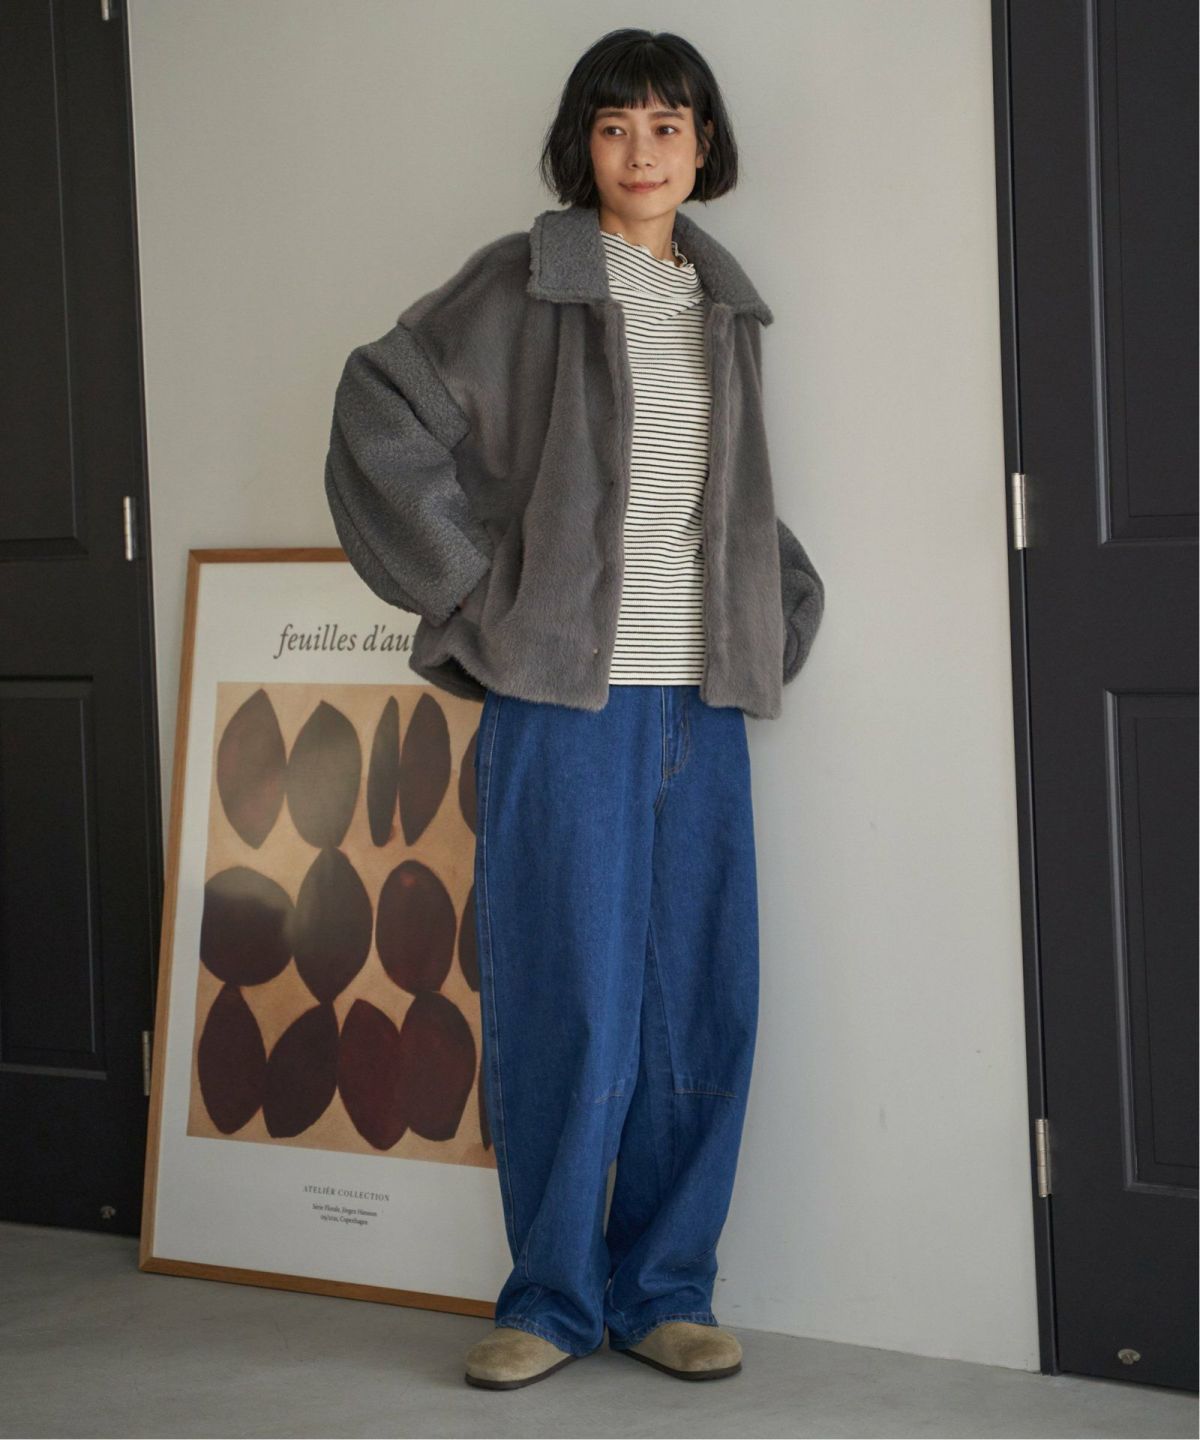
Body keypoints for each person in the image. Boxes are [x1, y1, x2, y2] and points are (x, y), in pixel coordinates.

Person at [324, 27, 825, 1392]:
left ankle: (665, 1291)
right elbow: (379, 413)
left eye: (667, 125)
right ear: (581, 146)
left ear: (703, 145)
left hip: (699, 699)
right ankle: (549, 1298)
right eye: (614, 127)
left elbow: (724, 498)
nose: (641, 151)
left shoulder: (726, 308)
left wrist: (776, 609)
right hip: (562, 695)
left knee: (698, 1000)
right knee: (566, 995)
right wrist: (476, 595)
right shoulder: (523, 283)